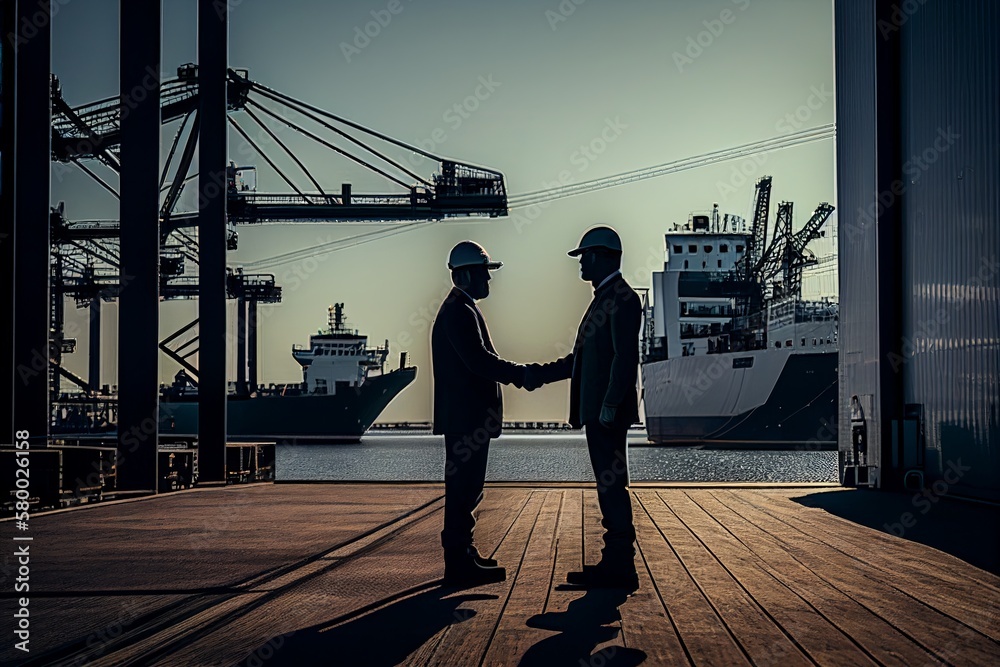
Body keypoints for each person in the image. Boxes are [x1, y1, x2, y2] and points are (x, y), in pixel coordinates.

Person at [524, 226, 641, 590]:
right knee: (607, 485)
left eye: (585, 255)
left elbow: (626, 357)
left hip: (606, 414)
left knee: (611, 485)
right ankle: (615, 562)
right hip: (599, 413)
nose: (580, 262)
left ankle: (620, 567)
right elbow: (581, 360)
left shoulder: (622, 298)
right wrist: (536, 375)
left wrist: (609, 403)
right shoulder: (605, 297)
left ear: (603, 256)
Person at [432, 240, 528, 586]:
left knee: (468, 489)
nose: (489, 280)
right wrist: (521, 374)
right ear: (468, 274)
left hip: (466, 419)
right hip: (466, 419)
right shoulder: (459, 311)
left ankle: (464, 554)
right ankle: (458, 563)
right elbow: (480, 362)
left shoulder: (462, 308)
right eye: (485, 273)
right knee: (463, 489)